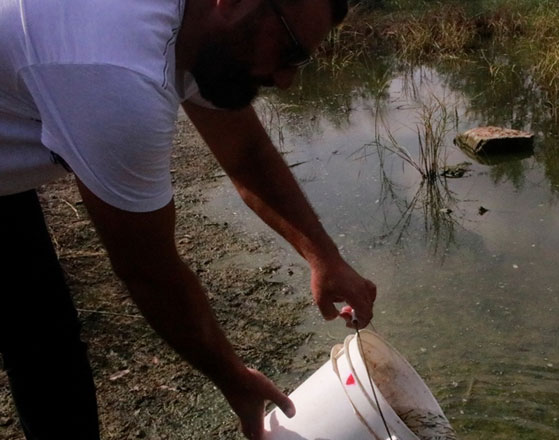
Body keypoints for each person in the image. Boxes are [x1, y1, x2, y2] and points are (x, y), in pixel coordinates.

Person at [0, 0, 376, 438]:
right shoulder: (116, 76)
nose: (287, 80)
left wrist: (323, 257)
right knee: (42, 339)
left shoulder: (187, 24)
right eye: (289, 51)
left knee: (43, 340)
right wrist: (232, 376)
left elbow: (246, 154)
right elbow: (148, 271)